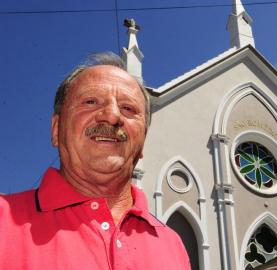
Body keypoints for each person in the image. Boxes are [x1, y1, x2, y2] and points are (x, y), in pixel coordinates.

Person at [0, 52, 191, 270]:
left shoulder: (172, 244)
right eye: (90, 101)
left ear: (143, 141)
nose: (111, 116)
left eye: (128, 108)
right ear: (55, 129)